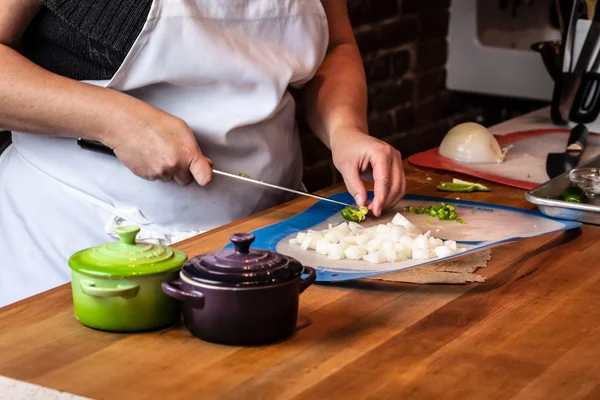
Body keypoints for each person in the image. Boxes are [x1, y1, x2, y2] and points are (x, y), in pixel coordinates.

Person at [0, 0, 406, 307]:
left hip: (272, 235)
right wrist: (115, 120)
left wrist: (345, 130)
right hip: (78, 238)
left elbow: (336, 45)